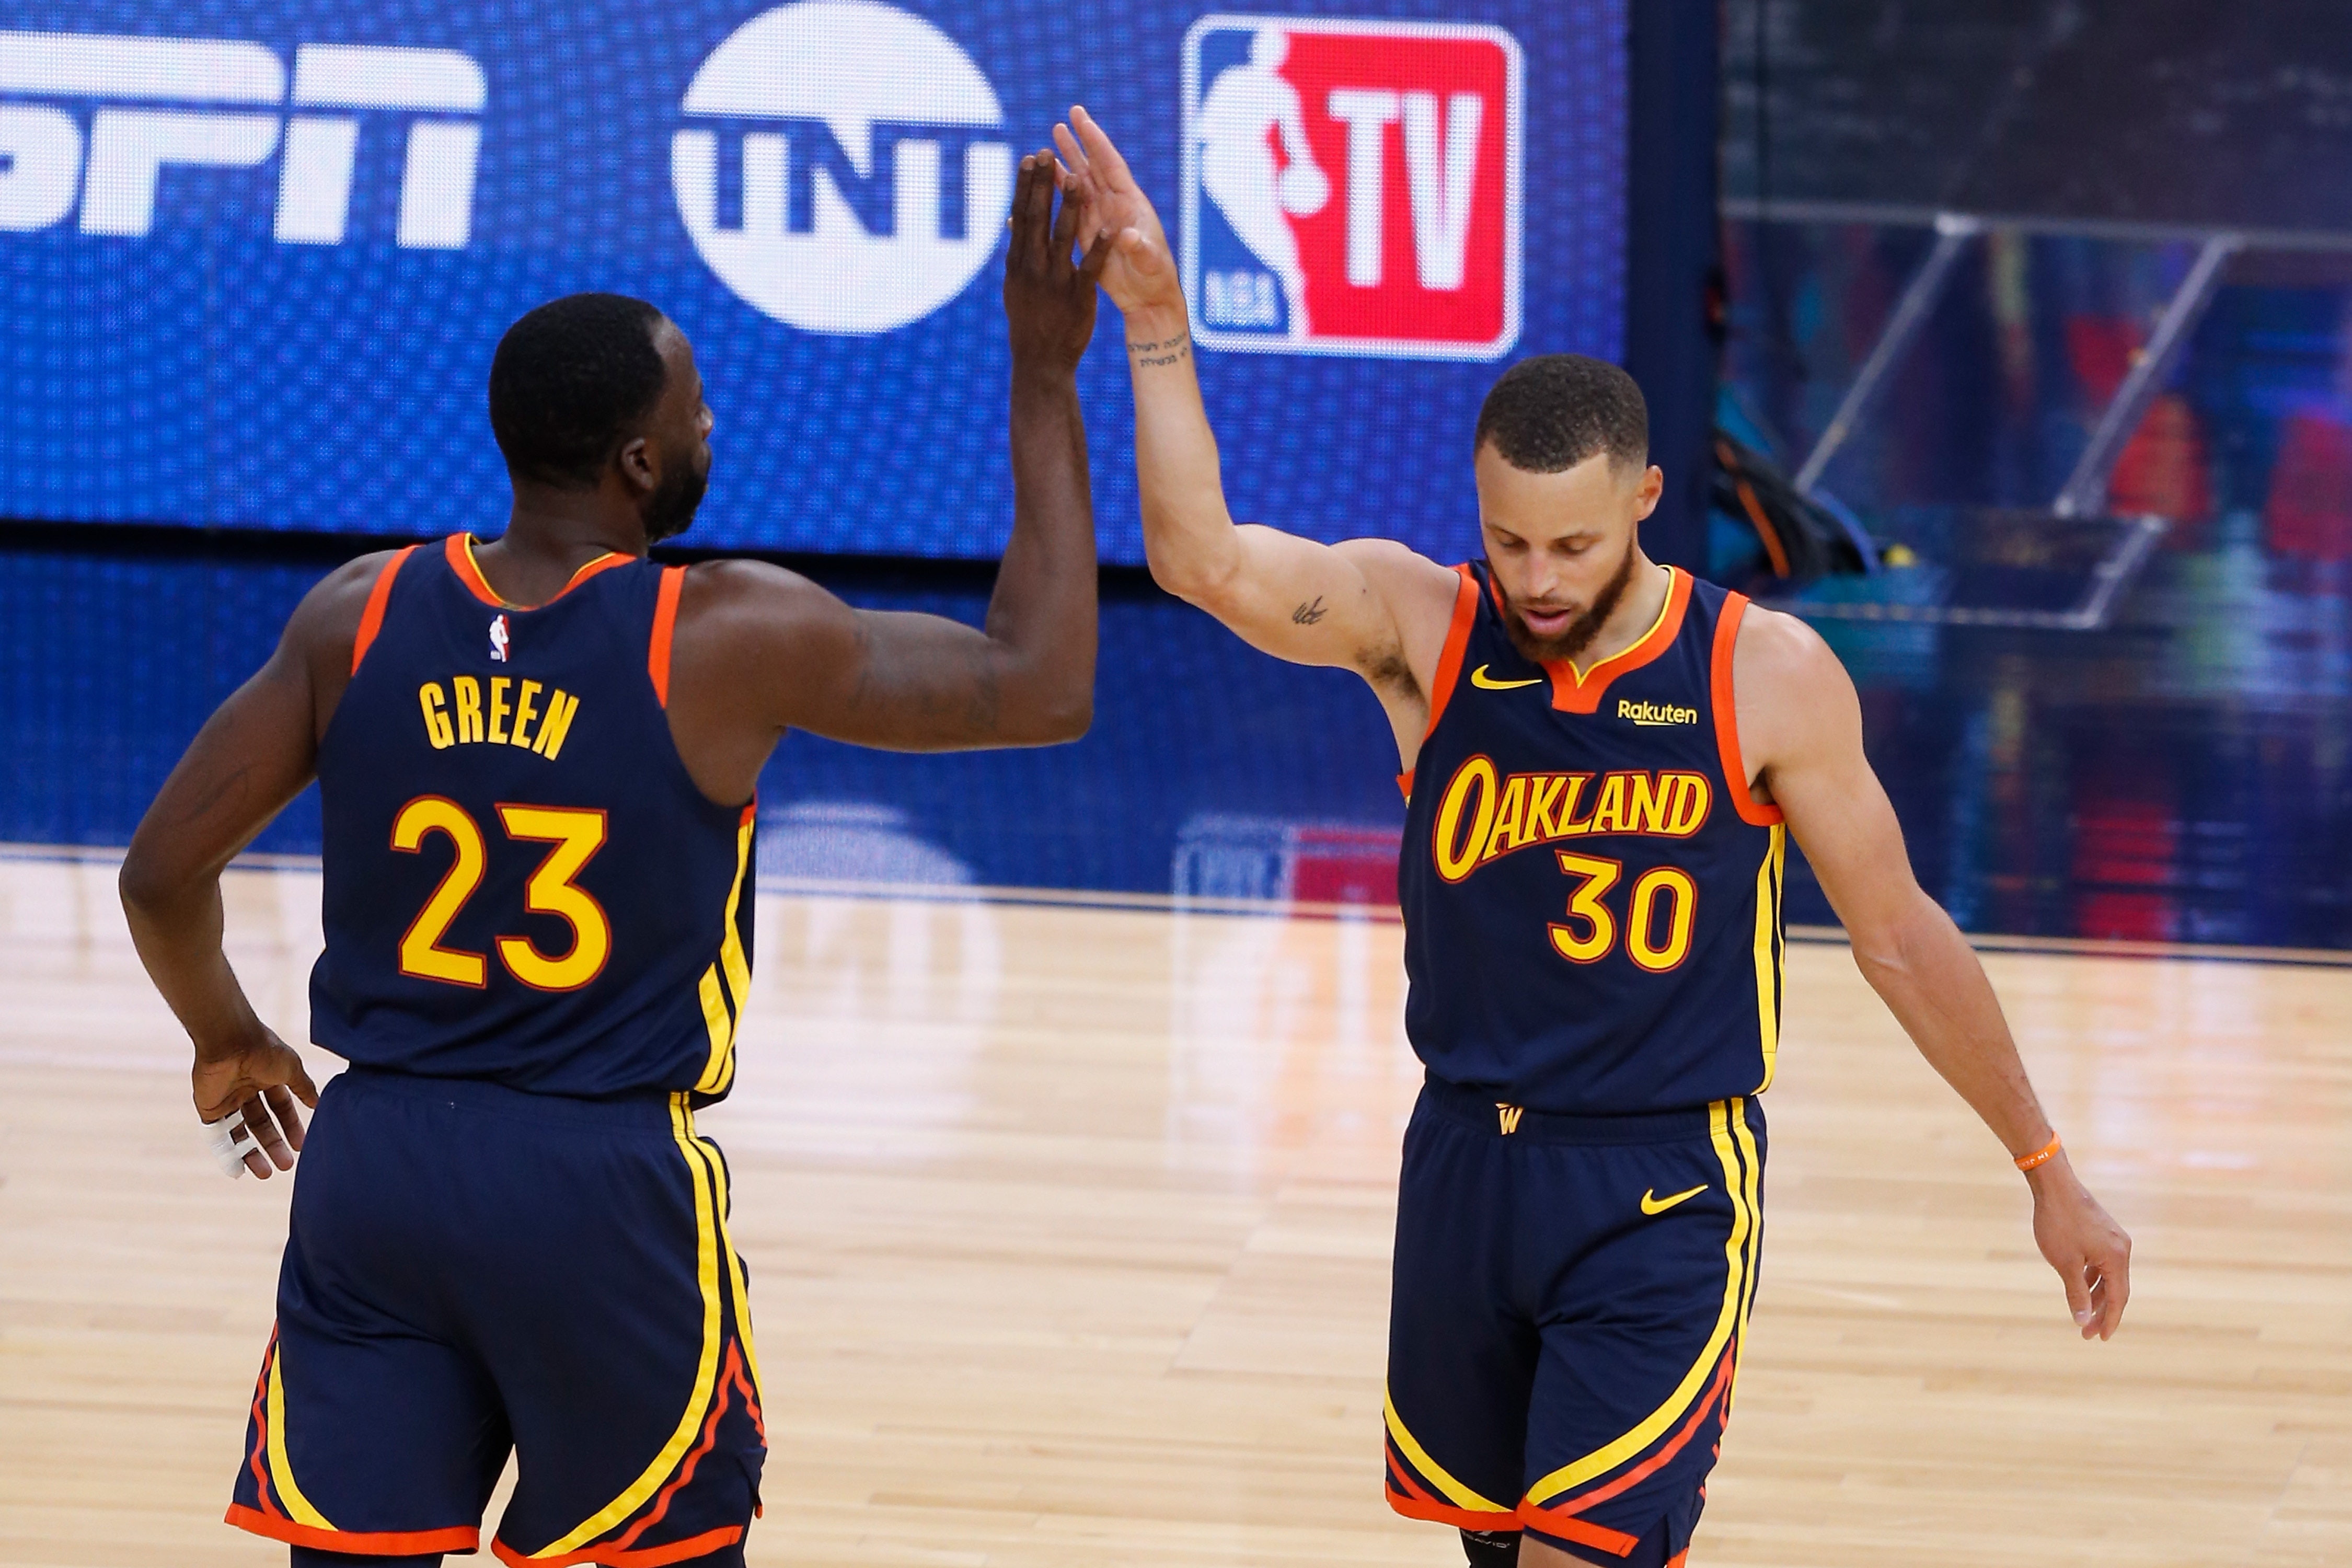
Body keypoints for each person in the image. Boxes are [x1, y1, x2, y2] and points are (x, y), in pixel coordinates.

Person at [1048, 107, 2133, 1568]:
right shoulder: (1424, 627)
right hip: (1463, 1165)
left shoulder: (1761, 674)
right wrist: (1155, 323)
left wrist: (2045, 1165)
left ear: (1644, 501)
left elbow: (1896, 935)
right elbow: (1204, 563)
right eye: (1510, 542)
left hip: (1659, 1184)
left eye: (1572, 544)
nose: (1539, 578)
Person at [115, 156, 1110, 1568]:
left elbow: (160, 874)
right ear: (639, 463)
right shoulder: (723, 635)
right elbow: (1041, 682)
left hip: (376, 1168)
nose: (710, 424)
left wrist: (228, 1039)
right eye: (694, 409)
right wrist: (1044, 374)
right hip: (598, 1186)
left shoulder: (356, 614)